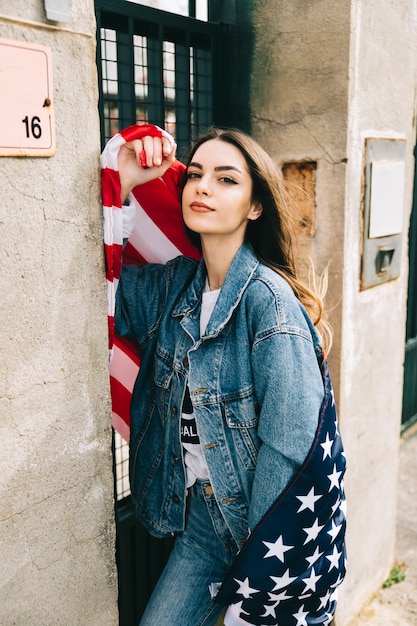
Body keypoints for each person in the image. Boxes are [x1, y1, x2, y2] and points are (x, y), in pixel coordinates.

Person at [101, 123, 347, 626]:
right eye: (195, 175)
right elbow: (103, 290)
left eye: (227, 178)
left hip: (264, 529)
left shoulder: (269, 307)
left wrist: (258, 580)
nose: (204, 187)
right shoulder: (175, 288)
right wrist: (122, 184)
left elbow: (290, 450)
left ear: (256, 206)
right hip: (202, 526)